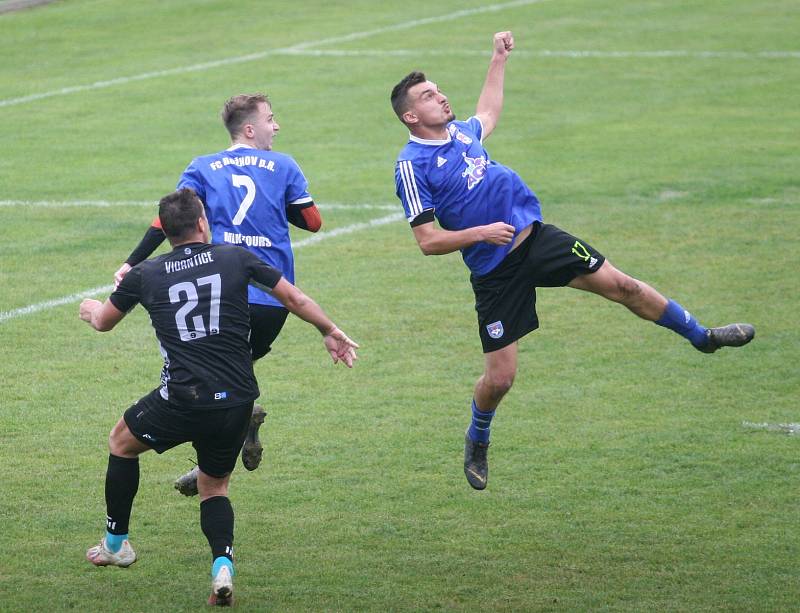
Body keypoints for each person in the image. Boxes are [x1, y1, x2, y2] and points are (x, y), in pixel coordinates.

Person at [390, 31, 755, 491]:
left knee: (624, 286)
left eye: (438, 90)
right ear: (410, 115)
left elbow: (488, 111)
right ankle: (477, 438)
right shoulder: (411, 165)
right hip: (495, 271)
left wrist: (497, 58)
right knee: (501, 379)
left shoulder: (462, 131)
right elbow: (427, 241)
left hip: (537, 239)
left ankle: (702, 336)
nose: (441, 97)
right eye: (428, 96)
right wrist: (480, 233)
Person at [81, 188, 357, 606]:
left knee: (121, 441)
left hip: (182, 398)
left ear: (167, 232)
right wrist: (329, 330)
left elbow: (103, 322)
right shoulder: (234, 257)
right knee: (214, 488)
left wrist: (87, 307)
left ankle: (116, 543)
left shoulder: (146, 274)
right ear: (202, 223)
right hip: (238, 399)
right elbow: (292, 298)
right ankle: (221, 566)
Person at [115, 93, 323, 490]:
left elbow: (168, 220)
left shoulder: (202, 167)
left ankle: (214, 462)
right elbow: (312, 222)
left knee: (202, 378)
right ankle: (221, 451)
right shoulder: (284, 166)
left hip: (219, 292)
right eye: (271, 120)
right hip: (271, 300)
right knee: (229, 373)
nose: (276, 127)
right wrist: (275, 205)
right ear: (250, 129)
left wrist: (131, 261)